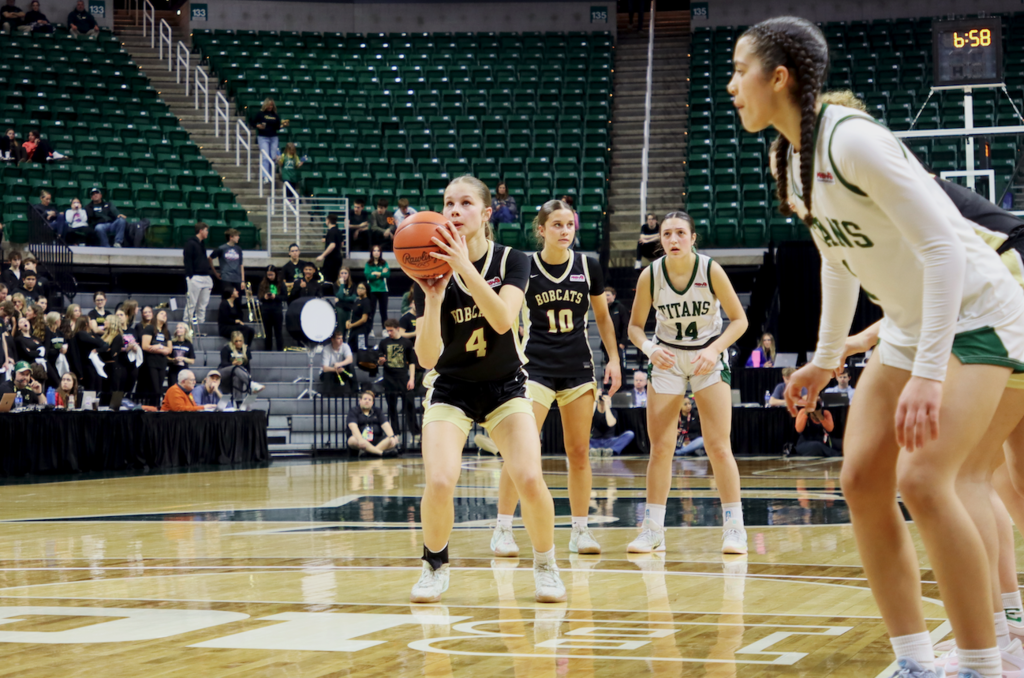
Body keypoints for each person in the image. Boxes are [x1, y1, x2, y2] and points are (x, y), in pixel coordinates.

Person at [730, 16, 1024, 677]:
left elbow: (946, 248)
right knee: (862, 479)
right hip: (907, 324)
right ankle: (916, 660)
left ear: (779, 78)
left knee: (924, 479)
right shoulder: (787, 158)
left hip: (980, 315)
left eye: (739, 70)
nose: (730, 86)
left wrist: (926, 373)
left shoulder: (853, 141)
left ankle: (983, 662)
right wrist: (827, 354)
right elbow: (837, 260)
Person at [409, 174, 565, 604]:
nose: (454, 212)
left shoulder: (514, 260)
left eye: (464, 204)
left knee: (530, 477)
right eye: (448, 204)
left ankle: (546, 565)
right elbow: (426, 357)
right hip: (452, 387)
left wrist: (463, 268)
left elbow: (502, 320)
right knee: (440, 480)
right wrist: (435, 297)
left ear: (485, 212)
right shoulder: (426, 265)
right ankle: (434, 566)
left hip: (505, 386)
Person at [490, 198, 623, 558]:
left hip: (578, 367)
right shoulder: (523, 265)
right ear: (541, 229)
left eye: (569, 225)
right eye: (557, 225)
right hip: (533, 367)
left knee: (579, 452)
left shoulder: (588, 266)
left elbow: (603, 318)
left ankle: (580, 529)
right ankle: (503, 527)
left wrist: (614, 358)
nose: (565, 231)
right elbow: (505, 317)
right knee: (520, 452)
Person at [627, 210, 749, 555]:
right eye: (667, 234)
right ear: (660, 240)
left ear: (693, 238)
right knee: (661, 448)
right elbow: (635, 328)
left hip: (706, 358)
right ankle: (652, 529)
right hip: (667, 358)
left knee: (718, 446)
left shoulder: (710, 270)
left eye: (681, 233)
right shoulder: (650, 276)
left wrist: (715, 349)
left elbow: (739, 320)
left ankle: (734, 528)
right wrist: (650, 349)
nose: (674, 240)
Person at [376, 318, 416, 440]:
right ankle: (395, 433)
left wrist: (412, 379)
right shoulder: (383, 343)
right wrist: (381, 361)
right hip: (389, 378)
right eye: (387, 331)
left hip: (403, 377)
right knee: (391, 407)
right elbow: (379, 360)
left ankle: (415, 433)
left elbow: (412, 362)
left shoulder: (407, 343)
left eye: (391, 330)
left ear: (397, 329)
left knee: (409, 406)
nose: (389, 333)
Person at [347, 390, 398, 457]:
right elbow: (353, 427)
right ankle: (380, 453)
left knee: (394, 439)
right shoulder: (353, 411)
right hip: (361, 439)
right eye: (365, 399)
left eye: (369, 400)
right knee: (351, 440)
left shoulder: (377, 411)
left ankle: (369, 453)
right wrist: (360, 440)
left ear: (372, 403)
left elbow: (385, 424)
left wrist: (391, 437)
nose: (367, 401)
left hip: (376, 439)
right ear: (360, 401)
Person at [183, 222, 214, 327]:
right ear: (201, 231)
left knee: (202, 305)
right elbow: (187, 260)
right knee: (191, 304)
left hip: (205, 276)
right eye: (206, 230)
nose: (207, 232)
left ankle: (201, 325)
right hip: (195, 277)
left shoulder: (202, 243)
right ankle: (187, 326)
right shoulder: (190, 243)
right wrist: (190, 276)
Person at [588, 388, 635, 455]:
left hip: (609, 441)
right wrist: (595, 400)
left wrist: (607, 405)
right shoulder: (593, 410)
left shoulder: (613, 412)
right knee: (579, 437)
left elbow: (610, 423)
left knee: (630, 434)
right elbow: (588, 418)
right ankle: (592, 451)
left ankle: (611, 451)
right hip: (594, 441)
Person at [219, 330, 263, 402]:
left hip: (238, 373)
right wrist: (233, 363)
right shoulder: (226, 349)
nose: (238, 343)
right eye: (236, 341)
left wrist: (248, 375)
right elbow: (223, 363)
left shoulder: (246, 350)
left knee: (237, 378)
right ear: (233, 341)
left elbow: (247, 366)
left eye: (240, 341)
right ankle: (251, 384)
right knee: (236, 368)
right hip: (224, 371)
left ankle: (238, 402)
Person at [253, 99, 286, 182]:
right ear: (265, 105)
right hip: (263, 137)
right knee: (265, 157)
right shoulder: (260, 114)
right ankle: (265, 176)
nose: (270, 107)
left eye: (271, 105)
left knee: (273, 158)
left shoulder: (275, 115)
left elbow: (277, 127)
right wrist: (258, 126)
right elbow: (253, 122)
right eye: (269, 105)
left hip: (273, 137)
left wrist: (283, 125)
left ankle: (271, 175)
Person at [71, 315, 107, 391]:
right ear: (86, 323)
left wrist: (98, 349)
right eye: (90, 321)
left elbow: (105, 345)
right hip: (86, 366)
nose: (92, 322)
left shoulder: (92, 334)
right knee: (91, 389)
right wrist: (100, 346)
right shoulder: (81, 334)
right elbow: (99, 343)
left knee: (98, 388)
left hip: (93, 365)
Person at [140, 308, 171, 396]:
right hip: (151, 362)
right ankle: (153, 407)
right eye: (162, 313)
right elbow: (145, 346)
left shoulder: (166, 332)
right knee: (154, 388)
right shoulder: (150, 328)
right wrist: (161, 349)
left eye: (165, 315)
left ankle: (157, 406)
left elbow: (169, 349)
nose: (164, 316)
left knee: (160, 388)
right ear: (155, 316)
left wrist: (158, 347)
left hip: (162, 363)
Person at [210, 228, 245, 295]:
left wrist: (242, 280)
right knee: (227, 298)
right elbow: (210, 258)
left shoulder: (238, 249)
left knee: (238, 300)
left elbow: (241, 264)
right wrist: (215, 272)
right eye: (237, 235)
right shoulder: (222, 248)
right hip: (226, 278)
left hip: (237, 278)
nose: (238, 237)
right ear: (231, 237)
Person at [257, 266, 284, 351]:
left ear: (275, 274)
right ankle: (268, 350)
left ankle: (280, 350)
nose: (270, 277)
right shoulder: (263, 283)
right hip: (266, 310)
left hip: (277, 310)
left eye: (272, 275)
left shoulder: (280, 283)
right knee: (267, 333)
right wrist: (264, 297)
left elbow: (285, 297)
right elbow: (259, 297)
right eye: (268, 275)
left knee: (278, 332)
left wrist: (275, 296)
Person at [602, 286, 629, 369]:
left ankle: (622, 382)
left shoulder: (620, 308)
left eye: (608, 295)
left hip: (618, 343)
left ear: (614, 296)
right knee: (608, 366)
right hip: (607, 344)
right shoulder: (603, 309)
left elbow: (626, 325)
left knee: (620, 367)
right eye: (604, 295)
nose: (606, 297)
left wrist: (623, 342)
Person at [364, 244, 390, 329]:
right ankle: (370, 330)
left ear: (380, 252)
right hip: (372, 290)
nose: (376, 252)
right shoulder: (368, 264)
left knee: (383, 312)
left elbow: (388, 274)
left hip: (383, 290)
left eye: (378, 251)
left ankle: (384, 329)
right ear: (371, 252)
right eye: (374, 250)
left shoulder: (384, 263)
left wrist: (375, 273)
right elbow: (368, 276)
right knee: (371, 311)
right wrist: (381, 273)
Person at [315, 214, 344, 286]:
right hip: (338, 258)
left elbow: (332, 245)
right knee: (335, 279)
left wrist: (322, 256)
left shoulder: (331, 231)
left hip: (331, 260)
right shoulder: (338, 231)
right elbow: (342, 243)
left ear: (328, 220)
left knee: (328, 280)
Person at [98, 311, 123, 392]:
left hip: (112, 367)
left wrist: (101, 350)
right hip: (103, 366)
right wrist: (106, 349)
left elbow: (112, 353)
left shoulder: (117, 336)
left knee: (111, 391)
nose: (104, 322)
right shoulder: (104, 336)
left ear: (112, 322)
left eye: (106, 320)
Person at [347, 281, 373, 353]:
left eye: (362, 288)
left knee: (361, 351)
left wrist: (352, 325)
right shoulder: (357, 301)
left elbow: (364, 319)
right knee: (350, 350)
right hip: (354, 330)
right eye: (358, 288)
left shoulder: (366, 301)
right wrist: (348, 321)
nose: (359, 289)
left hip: (361, 330)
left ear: (366, 290)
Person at [167, 322, 195, 387]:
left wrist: (183, 359)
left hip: (184, 371)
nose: (178, 329)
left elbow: (192, 361)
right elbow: (166, 357)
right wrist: (173, 360)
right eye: (177, 328)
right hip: (173, 370)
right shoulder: (172, 342)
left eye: (180, 328)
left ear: (185, 330)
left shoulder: (188, 344)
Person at [334, 267, 356, 341]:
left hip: (350, 308)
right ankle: (340, 341)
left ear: (348, 275)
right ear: (339, 275)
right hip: (340, 308)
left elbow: (353, 298)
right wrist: (342, 284)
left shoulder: (353, 285)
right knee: (340, 327)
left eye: (345, 273)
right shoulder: (336, 285)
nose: (343, 275)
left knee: (348, 327)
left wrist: (341, 299)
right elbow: (339, 295)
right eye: (342, 273)